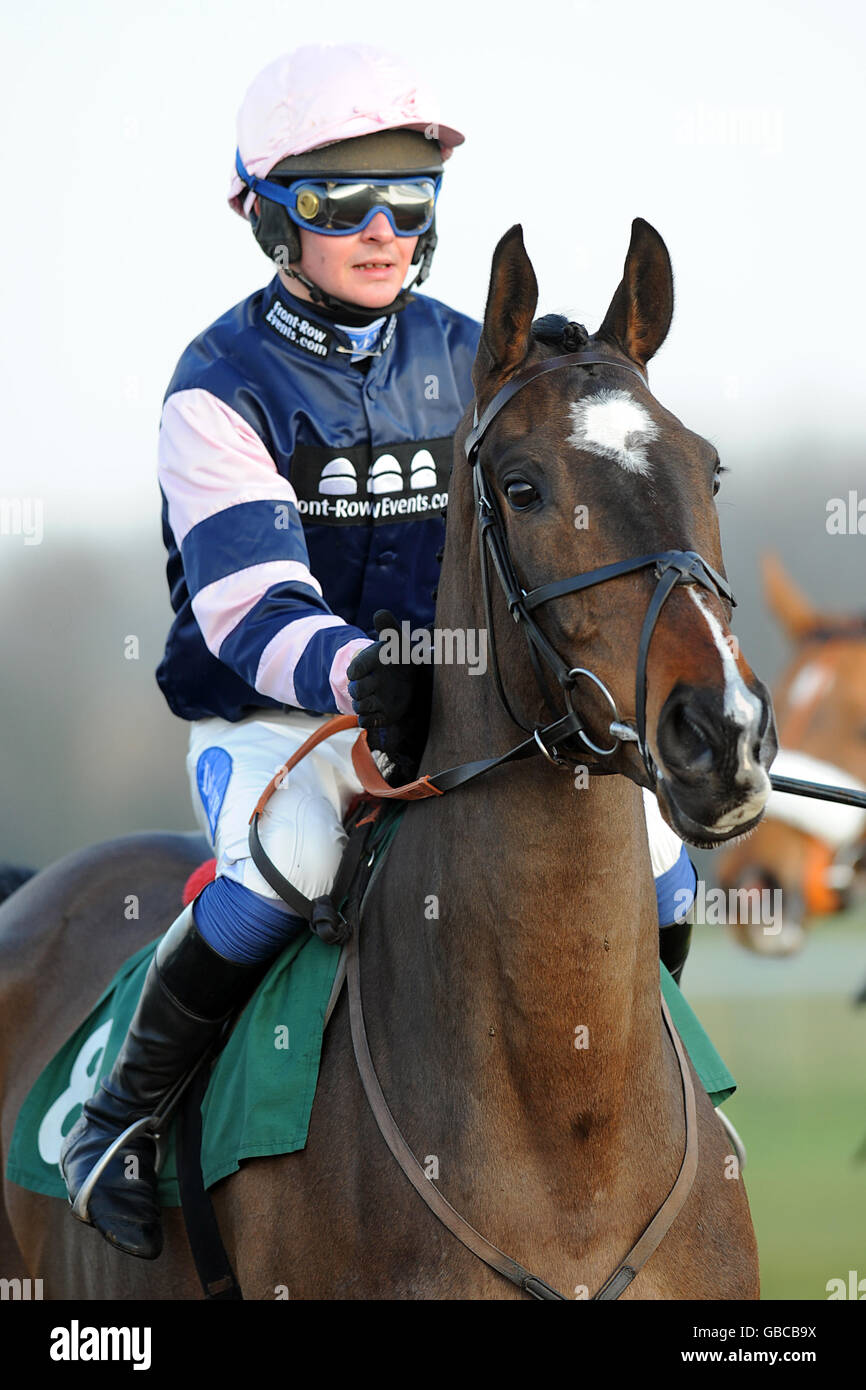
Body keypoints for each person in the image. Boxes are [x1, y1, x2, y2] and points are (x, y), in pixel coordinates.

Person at [60, 42, 697, 1262]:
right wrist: (368, 683)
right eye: (339, 201)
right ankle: (117, 1119)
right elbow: (248, 607)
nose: (380, 228)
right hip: (283, 721)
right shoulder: (218, 386)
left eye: (407, 199)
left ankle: (624, 1113)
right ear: (269, 219)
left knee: (658, 853)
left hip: (472, 711)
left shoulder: (478, 361)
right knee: (292, 855)